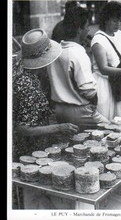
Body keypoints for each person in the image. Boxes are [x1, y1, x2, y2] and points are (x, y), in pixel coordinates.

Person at [12, 28, 79, 162]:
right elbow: (22, 128)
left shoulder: (25, 71)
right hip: (29, 149)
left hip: (34, 142)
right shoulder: (26, 84)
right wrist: (59, 128)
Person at [47, 6, 110, 130]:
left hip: (60, 109)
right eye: (87, 27)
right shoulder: (78, 53)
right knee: (110, 131)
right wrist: (94, 99)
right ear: (80, 29)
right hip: (79, 110)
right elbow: (88, 89)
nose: (88, 30)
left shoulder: (55, 50)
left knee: (74, 143)